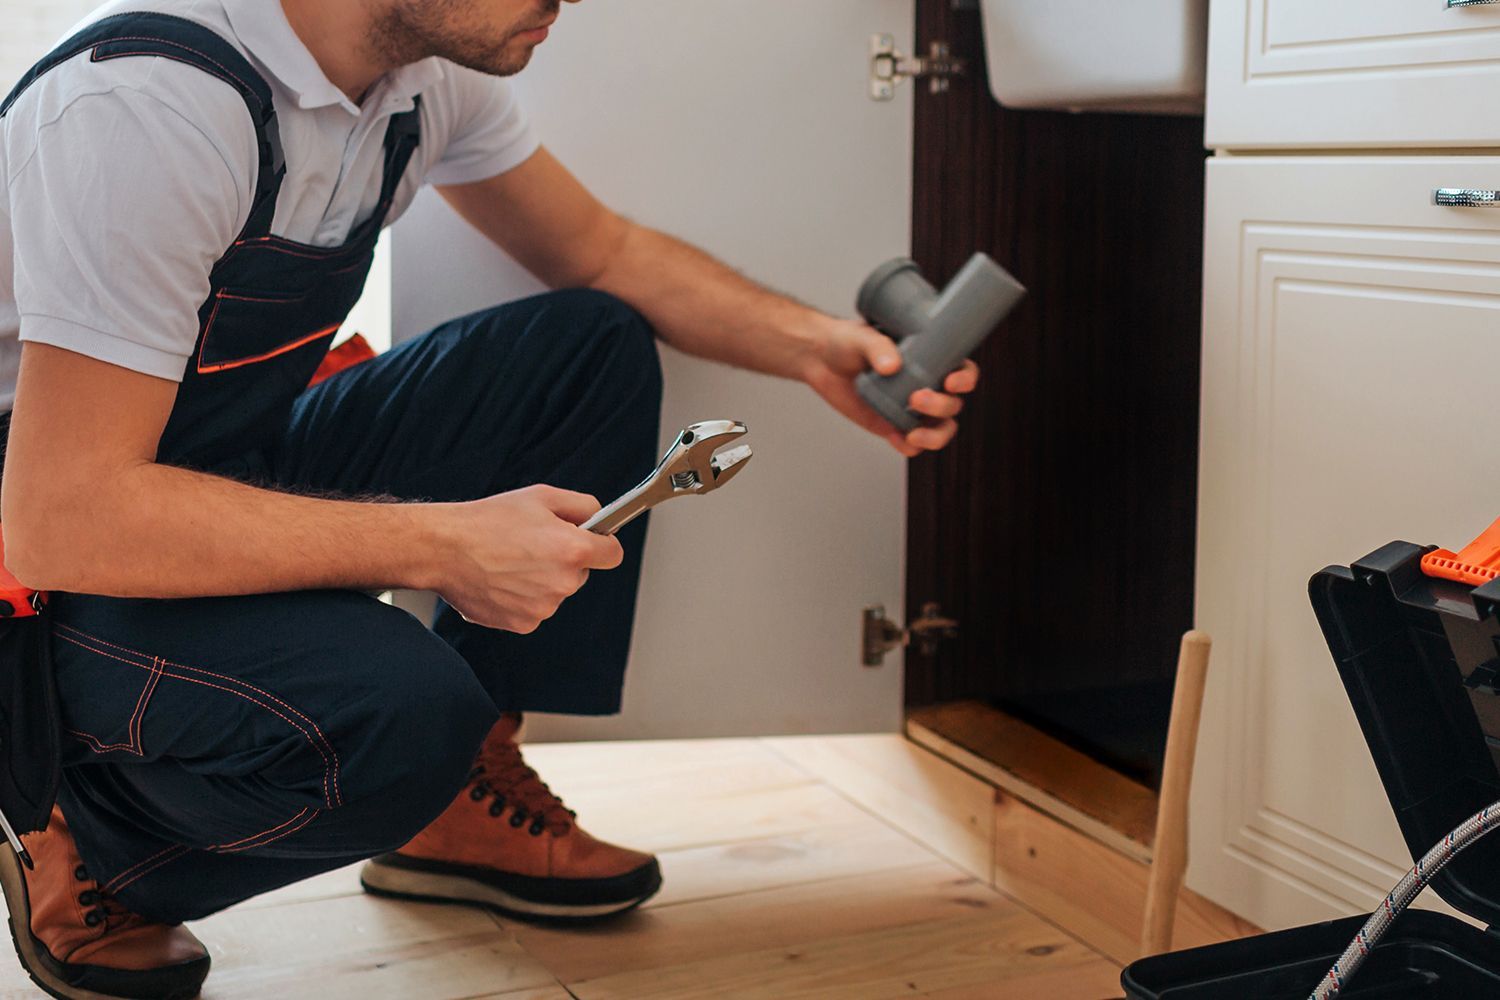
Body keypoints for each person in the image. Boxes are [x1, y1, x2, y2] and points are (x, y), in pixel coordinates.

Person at [0, 1, 980, 997]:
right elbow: (62, 517)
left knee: (586, 348)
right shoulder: (148, 106)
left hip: (208, 457)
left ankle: (458, 796)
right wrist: (438, 546)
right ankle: (80, 823)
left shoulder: (420, 75)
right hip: (41, 575)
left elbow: (604, 252)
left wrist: (816, 348)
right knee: (405, 717)